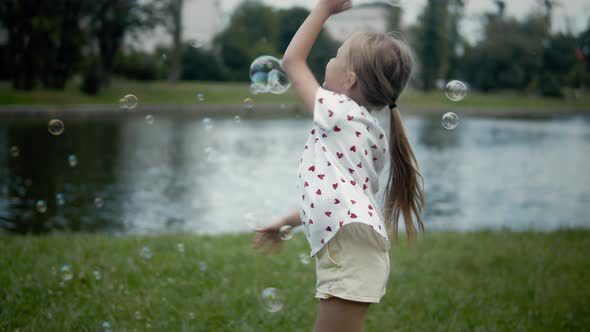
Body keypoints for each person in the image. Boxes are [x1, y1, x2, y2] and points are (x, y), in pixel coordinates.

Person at [252, 0, 425, 331]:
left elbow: (292, 61)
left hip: (350, 254)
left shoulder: (339, 112)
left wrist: (324, 9)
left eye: (337, 55)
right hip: (353, 253)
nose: (329, 59)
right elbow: (335, 194)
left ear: (349, 79)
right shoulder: (363, 129)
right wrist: (287, 222)